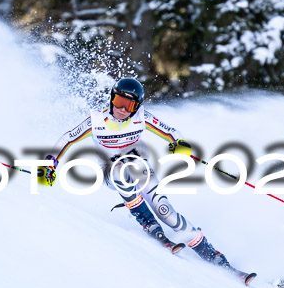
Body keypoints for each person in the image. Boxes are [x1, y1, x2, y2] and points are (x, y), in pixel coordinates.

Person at [38, 77, 230, 266]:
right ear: (112, 99)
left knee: (166, 213)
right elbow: (68, 138)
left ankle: (210, 252)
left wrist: (180, 143)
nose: (122, 109)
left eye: (128, 106)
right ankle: (149, 224)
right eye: (119, 102)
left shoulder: (141, 118)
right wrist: (50, 163)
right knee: (120, 171)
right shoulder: (97, 121)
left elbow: (170, 131)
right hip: (110, 171)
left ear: (136, 107)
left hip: (140, 168)